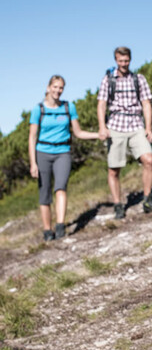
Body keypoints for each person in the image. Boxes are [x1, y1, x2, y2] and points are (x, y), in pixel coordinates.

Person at [28, 75, 101, 241]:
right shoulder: (38, 110)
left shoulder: (69, 107)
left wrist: (98, 134)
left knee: (61, 187)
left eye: (60, 88)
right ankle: (47, 229)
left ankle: (60, 225)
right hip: (42, 153)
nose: (57, 90)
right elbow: (32, 137)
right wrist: (33, 163)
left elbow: (78, 132)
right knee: (44, 192)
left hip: (63, 152)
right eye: (55, 87)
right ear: (48, 88)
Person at [97, 46, 152, 219]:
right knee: (114, 169)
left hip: (136, 124)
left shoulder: (139, 79)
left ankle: (147, 199)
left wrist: (148, 127)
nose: (123, 64)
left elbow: (146, 103)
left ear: (130, 60)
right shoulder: (108, 80)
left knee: (148, 159)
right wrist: (102, 126)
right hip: (115, 125)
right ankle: (118, 205)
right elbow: (101, 104)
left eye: (126, 60)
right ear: (116, 60)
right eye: (120, 61)